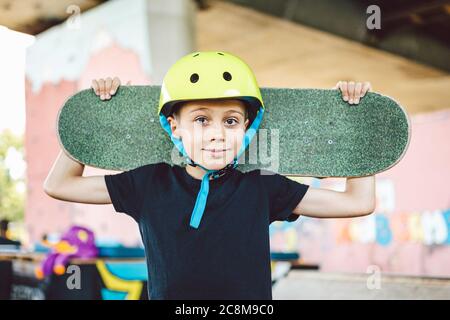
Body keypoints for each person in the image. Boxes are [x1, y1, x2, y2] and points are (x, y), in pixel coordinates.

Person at [44, 51, 375, 299]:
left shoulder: (262, 187)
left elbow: (358, 201)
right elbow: (59, 184)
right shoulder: (149, 185)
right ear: (174, 126)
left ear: (247, 127)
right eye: (202, 119)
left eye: (230, 121)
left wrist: (355, 124)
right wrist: (94, 119)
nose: (218, 133)